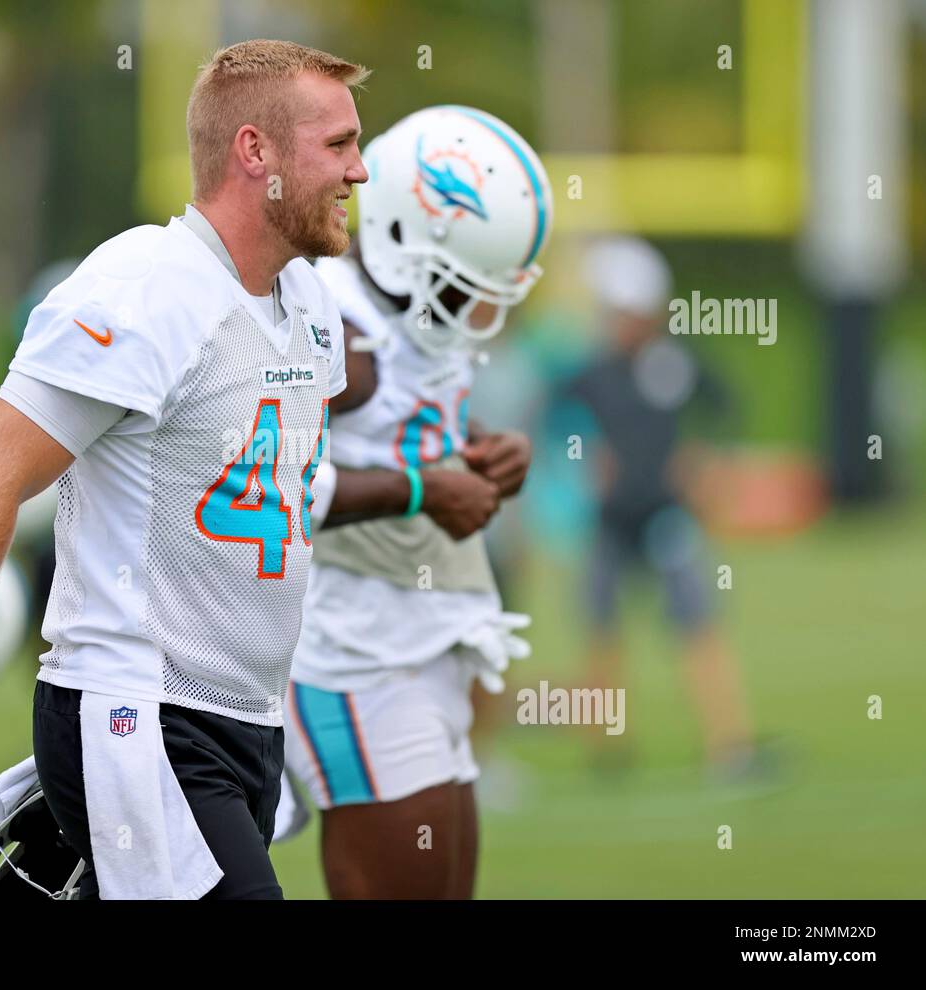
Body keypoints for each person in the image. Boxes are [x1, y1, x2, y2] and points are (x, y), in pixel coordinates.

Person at [0, 39, 370, 900]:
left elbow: (275, 503)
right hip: (139, 712)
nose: (359, 171)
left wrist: (415, 490)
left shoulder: (306, 301)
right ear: (254, 151)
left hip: (247, 719)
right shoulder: (141, 290)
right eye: (337, 145)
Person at [283, 105, 553, 898]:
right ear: (408, 242)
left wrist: (488, 455)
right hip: (350, 650)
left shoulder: (406, 320)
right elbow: (252, 481)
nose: (476, 307)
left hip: (418, 636)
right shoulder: (330, 333)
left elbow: (411, 432)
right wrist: (422, 490)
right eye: (464, 282)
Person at [565, 236, 758, 778]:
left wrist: (709, 465)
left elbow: (727, 408)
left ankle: (730, 744)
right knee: (601, 627)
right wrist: (580, 457)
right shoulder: (594, 371)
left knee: (698, 624)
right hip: (611, 520)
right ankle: (607, 748)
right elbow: (558, 422)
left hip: (667, 517)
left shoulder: (676, 364)